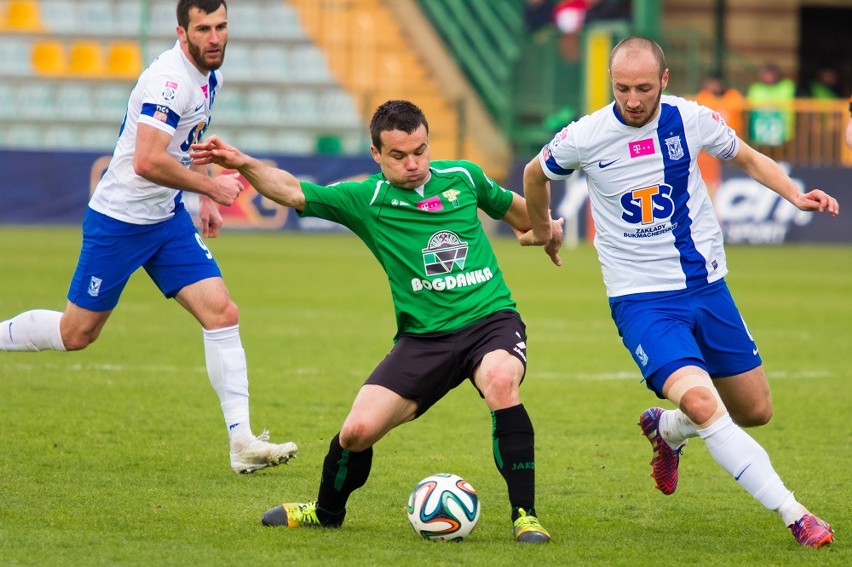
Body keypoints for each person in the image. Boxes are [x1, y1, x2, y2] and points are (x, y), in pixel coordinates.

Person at [190, 99, 565, 543]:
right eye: (399, 156)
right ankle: (326, 513)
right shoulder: (366, 198)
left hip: (490, 321)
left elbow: (525, 215)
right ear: (376, 154)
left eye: (420, 151)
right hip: (424, 339)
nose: (413, 164)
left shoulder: (464, 177)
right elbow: (292, 191)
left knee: (501, 380)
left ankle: (526, 515)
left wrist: (546, 232)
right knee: (357, 432)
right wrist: (245, 162)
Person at [522, 36, 838, 548]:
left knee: (755, 410)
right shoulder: (584, 136)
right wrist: (542, 228)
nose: (632, 99)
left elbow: (750, 157)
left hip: (707, 288)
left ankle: (667, 430)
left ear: (664, 81)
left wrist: (794, 195)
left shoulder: (690, 119)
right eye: (622, 88)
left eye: (644, 88)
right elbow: (535, 174)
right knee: (704, 401)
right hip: (643, 302)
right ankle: (795, 513)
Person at [0, 0, 296, 474]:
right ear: (182, 33)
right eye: (203, 28)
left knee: (222, 313)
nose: (215, 37)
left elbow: (192, 138)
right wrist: (212, 185)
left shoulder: (207, 73)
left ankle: (241, 441)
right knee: (76, 334)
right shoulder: (169, 81)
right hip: (119, 221)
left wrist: (205, 202)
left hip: (166, 220)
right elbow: (147, 160)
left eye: (221, 26)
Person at [693, 73, 745, 192]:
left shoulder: (733, 96)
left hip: (731, 139)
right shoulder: (704, 97)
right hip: (711, 143)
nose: (712, 87)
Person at [746, 62, 796, 146]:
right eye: (766, 74)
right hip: (760, 131)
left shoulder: (787, 86)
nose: (769, 77)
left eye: (771, 74)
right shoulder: (755, 88)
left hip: (783, 131)